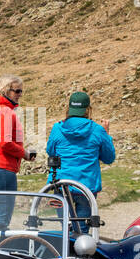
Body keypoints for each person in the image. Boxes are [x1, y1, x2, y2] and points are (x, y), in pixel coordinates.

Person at [45, 91, 115, 235]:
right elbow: (109, 158)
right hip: (86, 187)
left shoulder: (57, 128)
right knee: (81, 231)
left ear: (69, 109)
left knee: (66, 227)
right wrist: (107, 135)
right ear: (88, 110)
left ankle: (65, 252)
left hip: (62, 185)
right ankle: (78, 252)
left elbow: (50, 151)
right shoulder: (97, 130)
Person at [0, 75, 35, 230]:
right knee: (0, 221)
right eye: (16, 91)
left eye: (21, 91)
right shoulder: (4, 111)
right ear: (5, 91)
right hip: (0, 167)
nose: (19, 94)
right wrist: (24, 154)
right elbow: (5, 142)